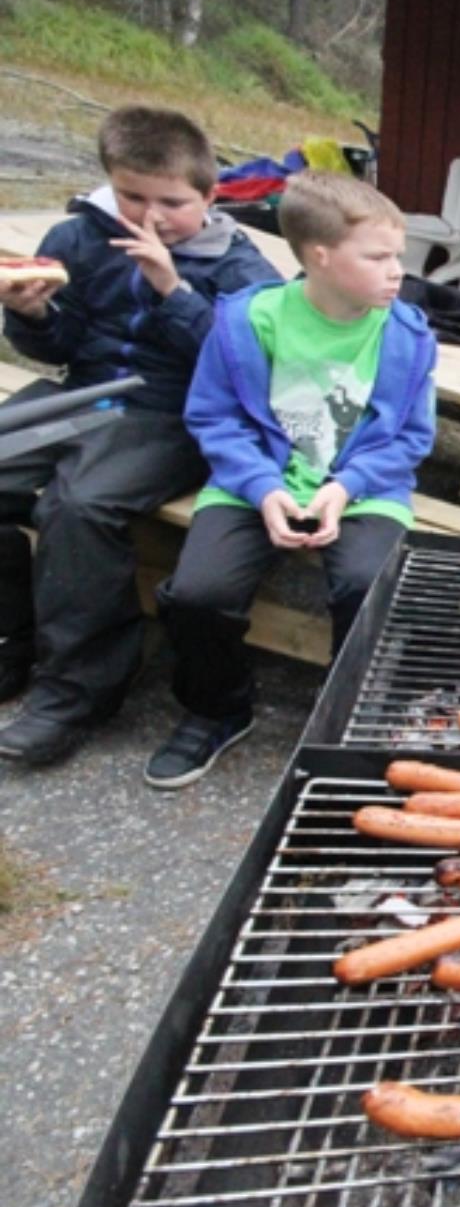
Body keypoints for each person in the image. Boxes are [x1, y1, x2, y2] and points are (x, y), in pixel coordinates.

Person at [0, 106, 282, 766]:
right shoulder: (79, 236)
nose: (150, 216)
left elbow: (246, 373)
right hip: (83, 392)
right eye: (132, 196)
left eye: (172, 202)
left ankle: (75, 694)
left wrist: (172, 286)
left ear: (211, 197)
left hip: (175, 412)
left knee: (79, 506)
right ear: (109, 183)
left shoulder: (241, 269)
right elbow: (62, 344)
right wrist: (35, 313)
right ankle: (13, 641)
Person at [145, 171, 435, 788]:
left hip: (363, 490)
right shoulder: (247, 320)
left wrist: (344, 488)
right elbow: (214, 418)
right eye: (378, 257)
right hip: (254, 480)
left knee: (368, 585)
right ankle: (217, 709)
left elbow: (411, 438)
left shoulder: (407, 334)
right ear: (320, 256)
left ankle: (344, 722)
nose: (396, 272)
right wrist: (263, 490)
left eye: (398, 257)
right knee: (197, 593)